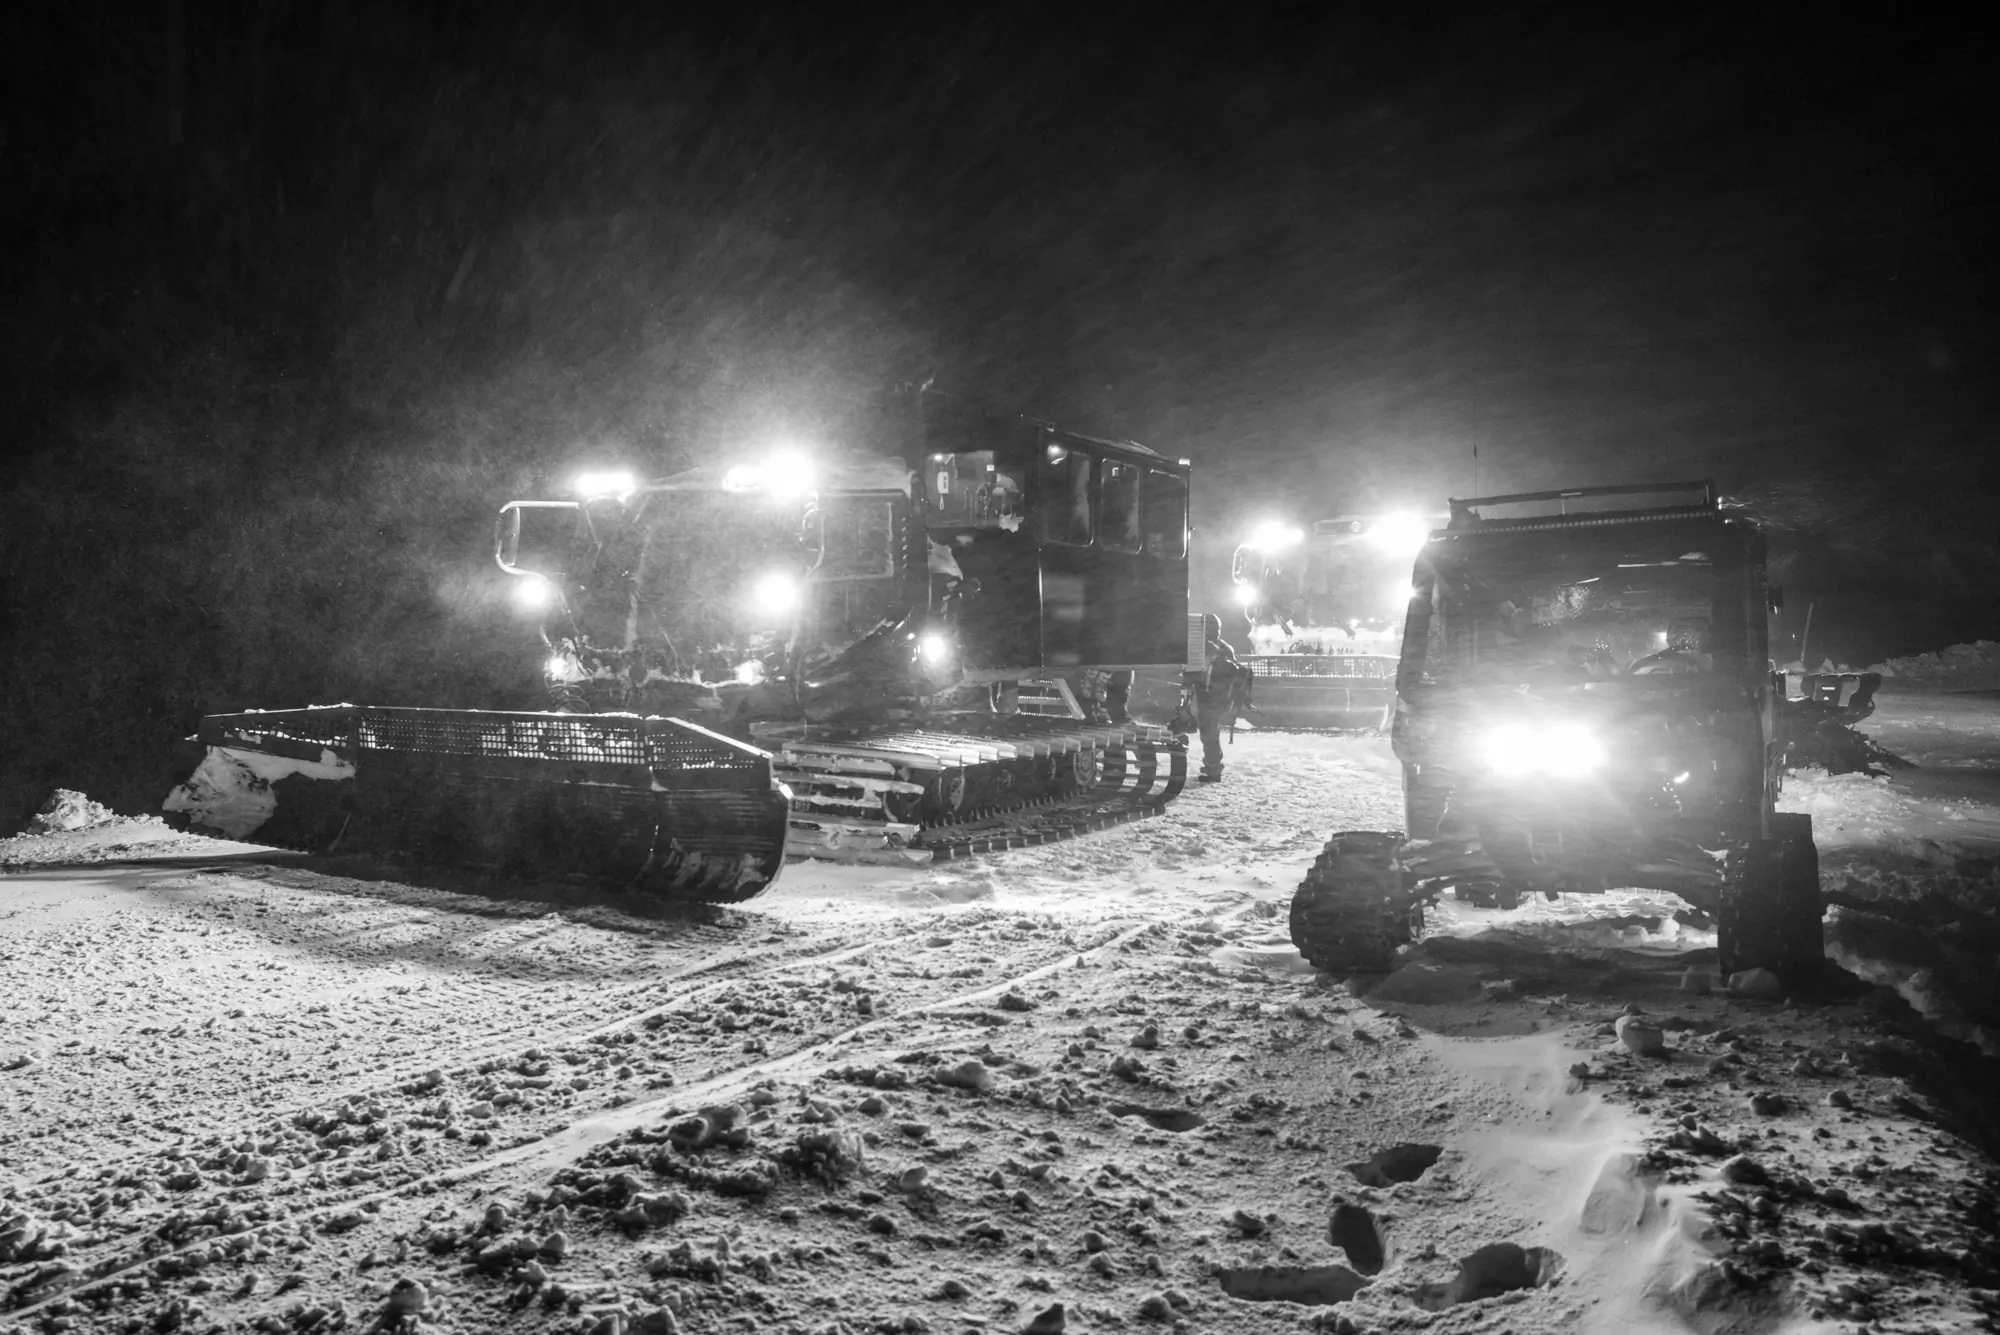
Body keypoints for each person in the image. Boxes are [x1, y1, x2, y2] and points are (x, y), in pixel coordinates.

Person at [1193, 612, 1240, 783]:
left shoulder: (1206, 646)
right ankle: (1212, 765)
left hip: (1209, 696)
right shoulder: (1226, 647)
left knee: (1209, 732)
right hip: (1222, 698)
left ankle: (1213, 769)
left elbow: (1199, 671)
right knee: (1211, 731)